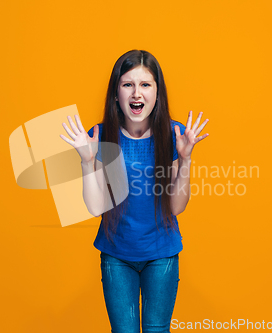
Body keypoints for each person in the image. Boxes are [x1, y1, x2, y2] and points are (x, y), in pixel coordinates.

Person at [60, 49, 209, 333]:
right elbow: (96, 208)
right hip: (117, 256)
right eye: (127, 84)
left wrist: (186, 159)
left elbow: (177, 207)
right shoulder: (101, 136)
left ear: (157, 93)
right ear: (116, 93)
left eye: (145, 85)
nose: (136, 93)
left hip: (161, 255)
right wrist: (87, 161)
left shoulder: (174, 135)